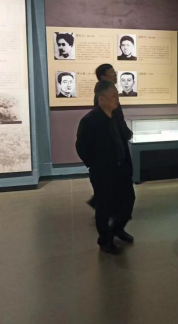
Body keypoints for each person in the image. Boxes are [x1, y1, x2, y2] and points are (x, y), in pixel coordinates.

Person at [76, 80, 135, 254]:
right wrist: (95, 165)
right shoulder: (90, 121)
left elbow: (123, 137)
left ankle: (117, 228)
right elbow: (82, 147)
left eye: (117, 95)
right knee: (104, 207)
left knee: (128, 201)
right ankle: (105, 240)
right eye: (113, 96)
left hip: (122, 169)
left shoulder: (116, 116)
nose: (117, 99)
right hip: (103, 172)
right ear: (101, 99)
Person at [85, 64, 127, 210]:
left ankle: (104, 203)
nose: (115, 75)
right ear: (103, 76)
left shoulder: (109, 92)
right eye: (112, 72)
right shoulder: (103, 95)